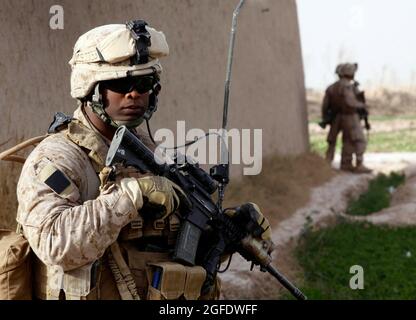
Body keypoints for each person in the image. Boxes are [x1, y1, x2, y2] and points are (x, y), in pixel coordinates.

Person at [15, 20, 274, 300]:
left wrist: (226, 234)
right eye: (121, 83)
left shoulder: (153, 154)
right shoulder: (58, 157)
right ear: (91, 89)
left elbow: (170, 247)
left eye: (144, 83)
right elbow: (55, 243)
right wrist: (130, 196)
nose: (134, 93)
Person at [320, 63, 371, 173]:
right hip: (350, 116)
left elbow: (325, 106)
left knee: (336, 141)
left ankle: (341, 163)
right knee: (358, 140)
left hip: (336, 118)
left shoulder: (331, 87)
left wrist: (326, 118)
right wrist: (362, 106)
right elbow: (350, 102)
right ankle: (358, 164)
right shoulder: (348, 86)